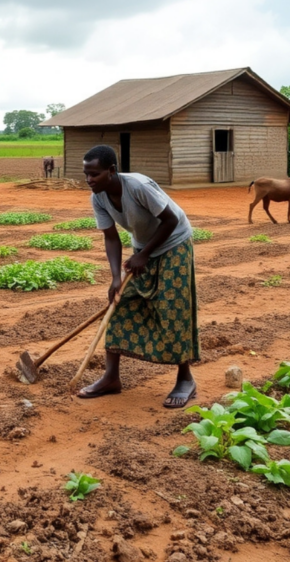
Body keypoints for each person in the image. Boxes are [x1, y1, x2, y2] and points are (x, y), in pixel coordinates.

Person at [76, 145, 199, 409]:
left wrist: (144, 255)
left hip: (175, 242)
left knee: (173, 308)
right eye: (86, 174)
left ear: (111, 170)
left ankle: (185, 379)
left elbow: (170, 220)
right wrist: (115, 278)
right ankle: (111, 378)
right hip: (144, 247)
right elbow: (111, 238)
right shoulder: (98, 198)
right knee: (120, 303)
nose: (89, 180)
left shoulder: (138, 186)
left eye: (94, 174)